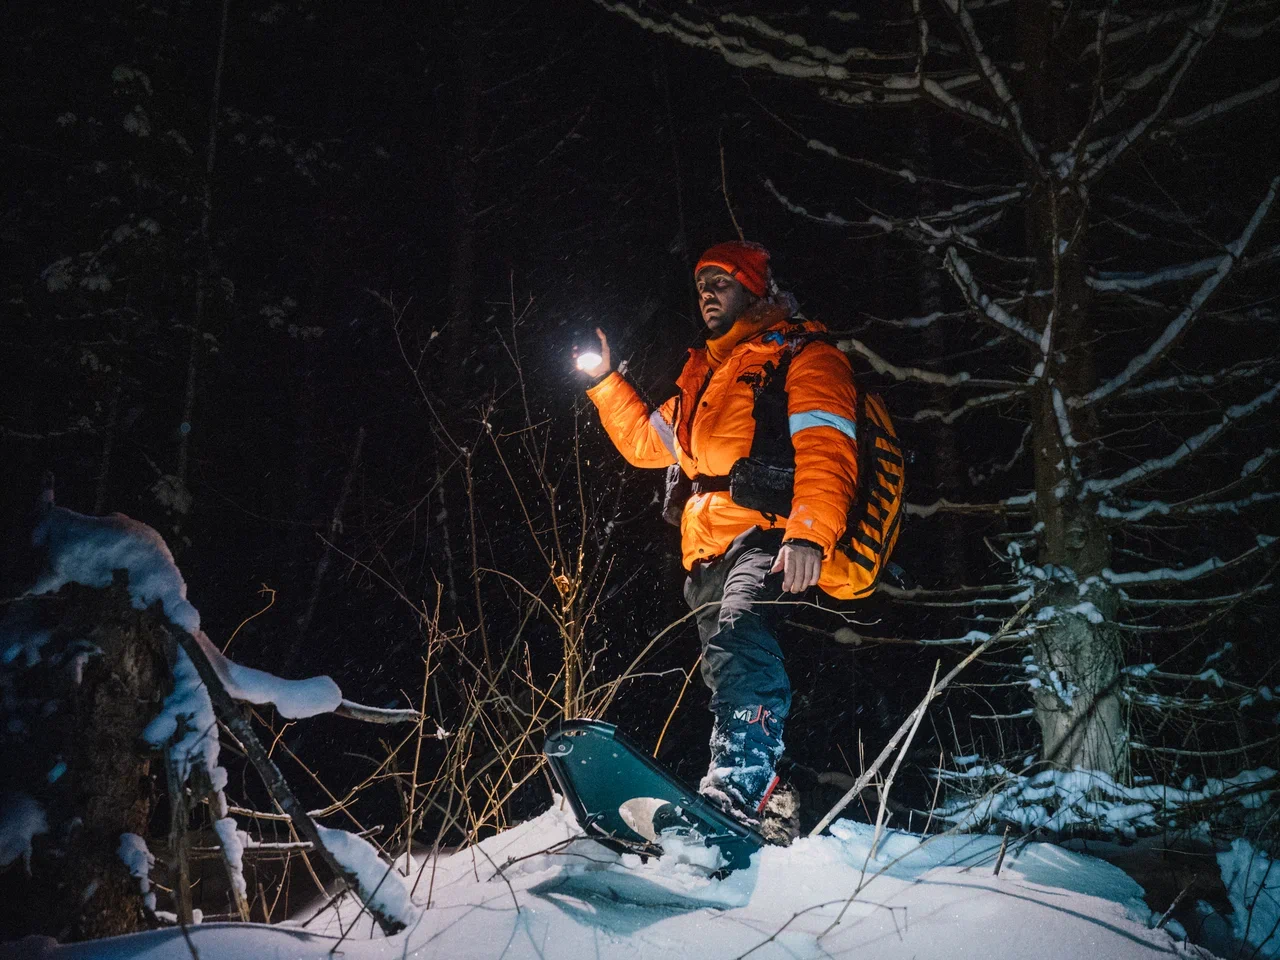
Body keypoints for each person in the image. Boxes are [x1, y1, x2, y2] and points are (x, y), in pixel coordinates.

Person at [578, 240, 859, 836]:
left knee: (738, 637)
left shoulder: (803, 355)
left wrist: (810, 533)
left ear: (755, 289)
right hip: (706, 546)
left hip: (770, 536)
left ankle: (738, 786)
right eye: (701, 283)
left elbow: (829, 449)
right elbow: (651, 444)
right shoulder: (704, 371)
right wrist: (605, 381)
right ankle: (775, 807)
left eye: (722, 281)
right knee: (723, 667)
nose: (706, 292)